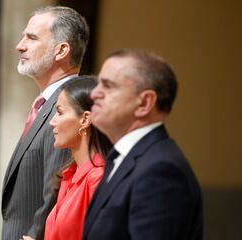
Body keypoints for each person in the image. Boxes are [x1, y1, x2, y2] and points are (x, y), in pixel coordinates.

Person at [82, 49, 203, 240]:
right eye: (98, 84)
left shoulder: (160, 171)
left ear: (145, 103)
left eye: (108, 86)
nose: (94, 93)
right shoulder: (123, 157)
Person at [1, 6, 89, 240]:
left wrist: (34, 236)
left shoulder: (68, 108)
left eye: (31, 38)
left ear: (61, 50)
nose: (20, 45)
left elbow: (56, 189)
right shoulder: (45, 104)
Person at [36, 76, 111, 240]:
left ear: (85, 119)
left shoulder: (97, 179)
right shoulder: (69, 173)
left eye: (60, 113)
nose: (52, 122)